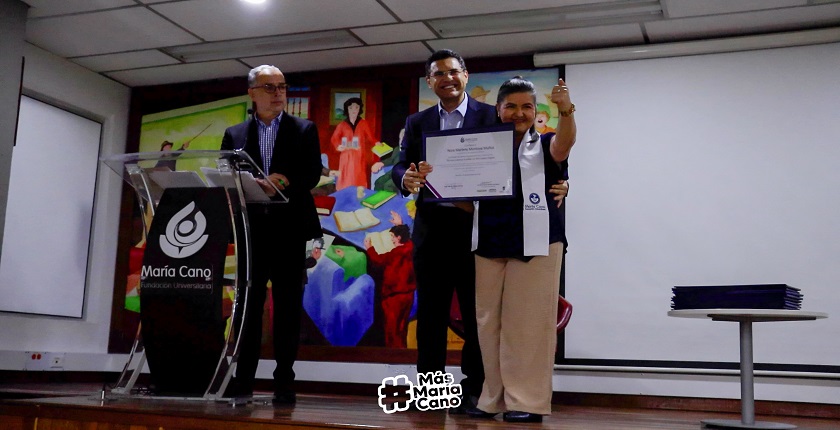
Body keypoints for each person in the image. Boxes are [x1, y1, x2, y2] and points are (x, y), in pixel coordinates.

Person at [391, 49, 496, 413]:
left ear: (465, 75)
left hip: (475, 227)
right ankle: (431, 393)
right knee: (432, 315)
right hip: (432, 229)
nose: (447, 79)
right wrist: (404, 177)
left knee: (475, 315)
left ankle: (474, 391)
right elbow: (401, 164)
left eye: (453, 72)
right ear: (429, 81)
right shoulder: (418, 121)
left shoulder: (491, 116)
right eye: (439, 74)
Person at [467, 76, 576, 423]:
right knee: (489, 324)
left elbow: (564, 144)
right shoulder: (481, 149)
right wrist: (437, 183)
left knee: (528, 324)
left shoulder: (543, 144)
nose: (519, 113)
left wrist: (566, 110)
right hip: (489, 240)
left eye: (527, 106)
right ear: (498, 110)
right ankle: (493, 399)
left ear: (535, 110)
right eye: (511, 106)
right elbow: (462, 195)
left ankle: (526, 401)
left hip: (537, 241)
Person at [220, 65, 323, 405]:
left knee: (288, 307)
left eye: (282, 86)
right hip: (251, 230)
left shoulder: (304, 129)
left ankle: (284, 381)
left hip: (290, 229)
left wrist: (283, 181)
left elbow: (311, 173)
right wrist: (248, 184)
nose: (278, 93)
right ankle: (243, 379)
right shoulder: (234, 134)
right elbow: (225, 172)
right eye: (270, 87)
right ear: (252, 92)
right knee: (249, 307)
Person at [364, 220, 416, 348]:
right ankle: (402, 349)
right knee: (402, 326)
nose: (391, 239)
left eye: (393, 236)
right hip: (408, 294)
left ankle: (394, 353)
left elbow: (379, 260)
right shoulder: (410, 247)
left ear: (399, 238)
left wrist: (369, 248)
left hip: (394, 296)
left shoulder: (395, 253)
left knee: (391, 330)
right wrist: (400, 225)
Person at [331, 97, 378, 190]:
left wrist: (376, 142)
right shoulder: (342, 124)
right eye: (351, 108)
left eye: (356, 107)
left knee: (358, 179)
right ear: (347, 109)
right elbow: (334, 138)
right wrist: (338, 146)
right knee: (346, 180)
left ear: (359, 109)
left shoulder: (363, 123)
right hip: (346, 155)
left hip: (359, 155)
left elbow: (371, 137)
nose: (354, 110)